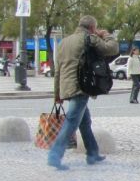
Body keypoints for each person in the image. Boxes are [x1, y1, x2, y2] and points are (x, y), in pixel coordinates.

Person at [48, 15, 118, 170]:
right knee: (72, 121)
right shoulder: (89, 38)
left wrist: (57, 95)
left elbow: (58, 71)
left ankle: (93, 153)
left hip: (66, 86)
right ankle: (55, 154)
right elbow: (112, 48)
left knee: (85, 122)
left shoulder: (64, 42)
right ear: (92, 27)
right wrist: (105, 34)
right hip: (81, 86)